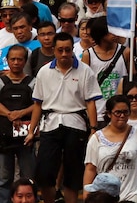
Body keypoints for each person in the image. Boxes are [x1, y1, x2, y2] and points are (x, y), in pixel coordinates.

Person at [25, 35, 101, 203]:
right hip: (50, 124)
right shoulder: (44, 72)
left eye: (68, 50)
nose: (64, 54)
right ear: (54, 51)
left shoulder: (85, 71)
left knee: (73, 174)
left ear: (72, 50)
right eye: (60, 50)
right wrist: (31, 131)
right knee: (44, 173)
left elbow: (90, 102)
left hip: (76, 124)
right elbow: (38, 103)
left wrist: (94, 129)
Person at [0, 45, 35, 203]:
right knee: (3, 179)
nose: (16, 62)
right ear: (7, 60)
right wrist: (9, 114)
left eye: (19, 59)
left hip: (26, 138)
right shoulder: (1, 81)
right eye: (12, 59)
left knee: (28, 178)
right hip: (3, 137)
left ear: (25, 60)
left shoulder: (32, 82)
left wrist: (20, 113)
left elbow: (39, 104)